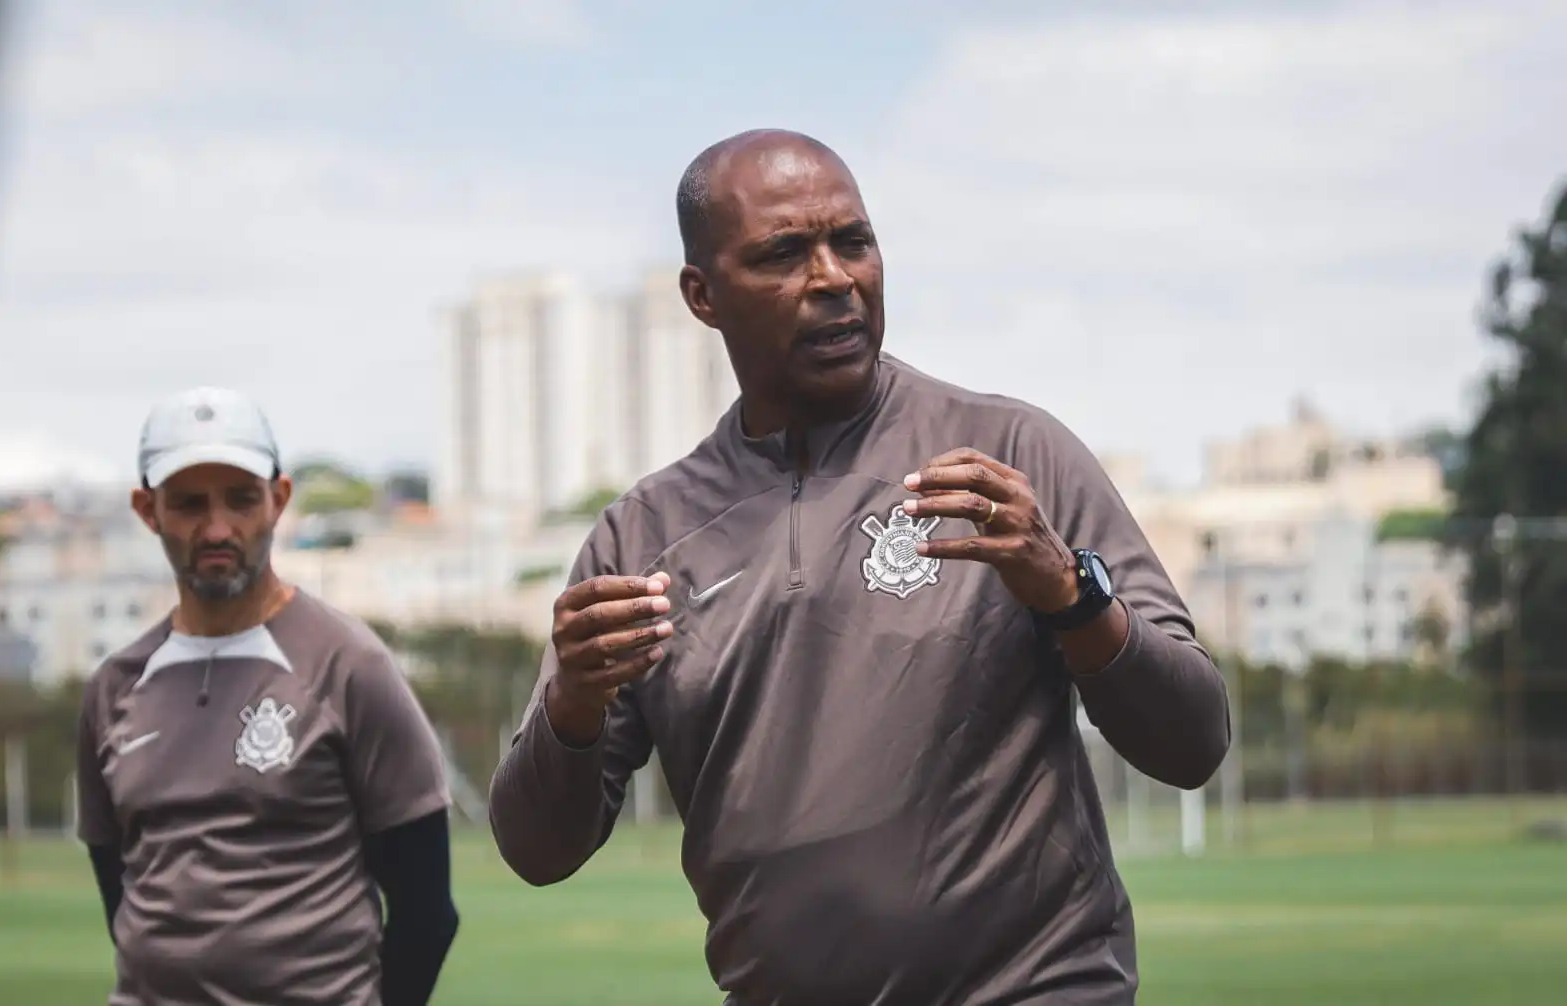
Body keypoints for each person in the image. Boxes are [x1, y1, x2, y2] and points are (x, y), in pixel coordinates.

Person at [488, 129, 1231, 1005]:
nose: (834, 278)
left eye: (854, 241)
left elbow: (1194, 743)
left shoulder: (1010, 457)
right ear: (703, 296)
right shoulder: (643, 538)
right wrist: (573, 704)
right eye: (784, 254)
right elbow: (538, 852)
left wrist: (1069, 594)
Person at [75, 386, 459, 1006]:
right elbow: (122, 901)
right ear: (148, 510)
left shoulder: (348, 665)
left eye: (241, 499)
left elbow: (427, 913)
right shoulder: (115, 686)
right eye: (190, 504)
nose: (218, 527)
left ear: (278, 500)